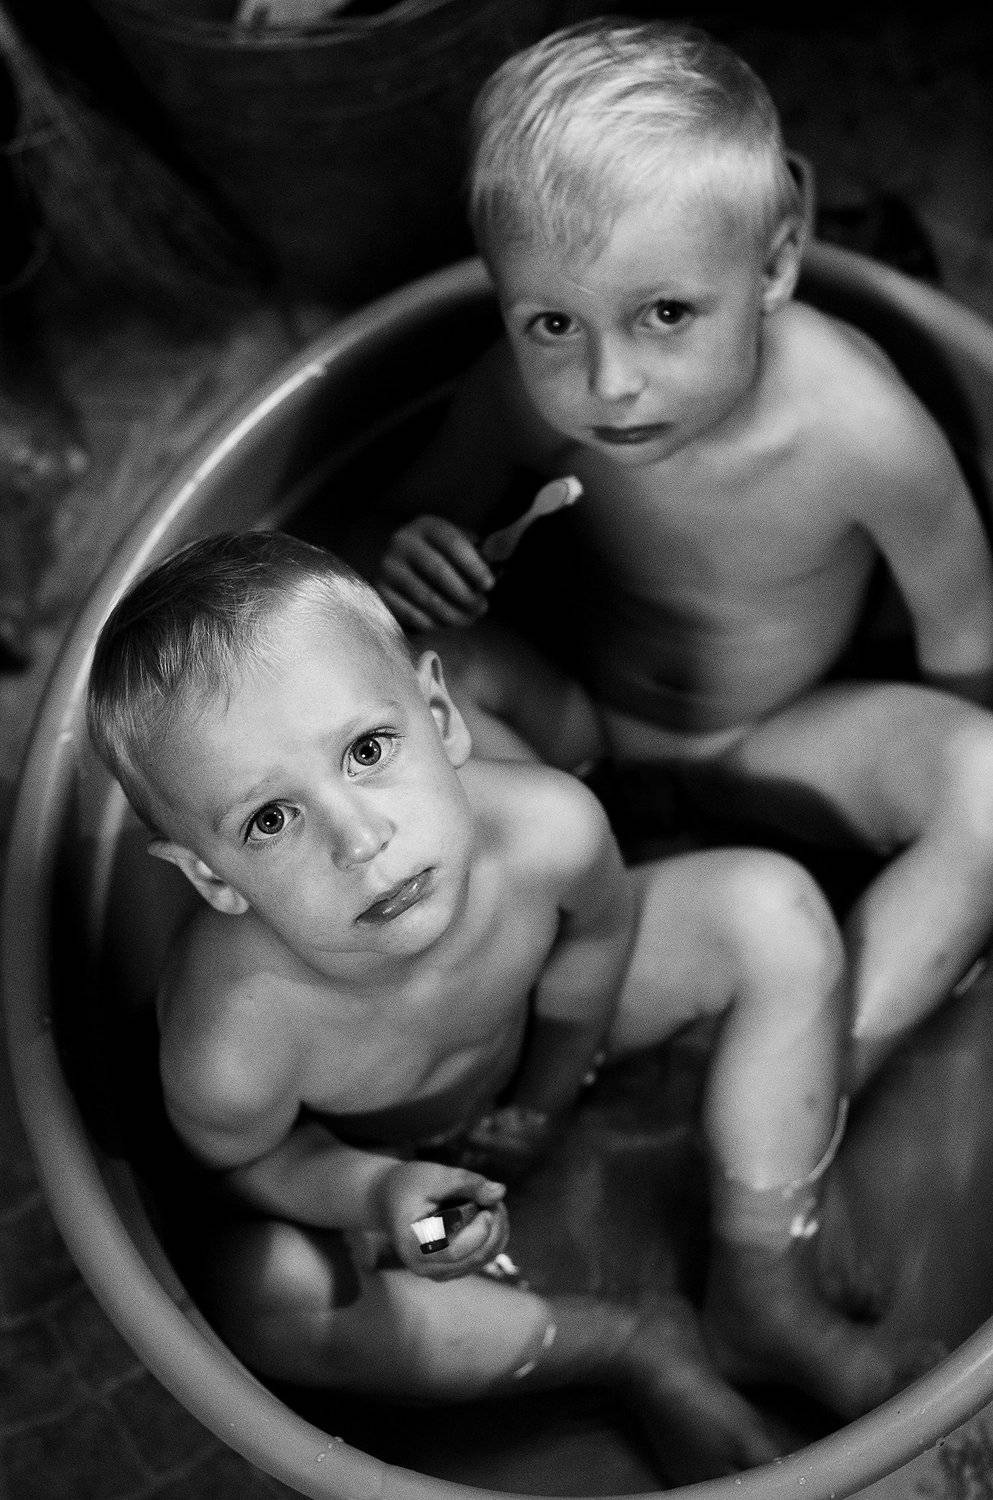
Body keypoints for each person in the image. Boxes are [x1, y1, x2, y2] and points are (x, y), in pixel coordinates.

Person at [85, 531, 934, 1480]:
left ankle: (763, 1282)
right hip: (413, 1178)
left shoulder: (545, 832)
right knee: (258, 1296)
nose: (359, 839)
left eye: (367, 750)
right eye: (270, 820)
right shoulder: (235, 1032)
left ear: (440, 715)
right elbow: (244, 1165)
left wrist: (546, 1094)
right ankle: (624, 1345)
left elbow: (595, 949)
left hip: (545, 1045)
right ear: (210, 875)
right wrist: (380, 1193)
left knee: (771, 914)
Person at [373, 17, 993, 1100]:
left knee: (988, 788)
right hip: (572, 729)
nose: (609, 383)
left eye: (665, 313)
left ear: (776, 265)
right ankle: (497, 1009)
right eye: (551, 323)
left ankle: (815, 1065)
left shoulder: (862, 431)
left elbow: (966, 627)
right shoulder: (516, 398)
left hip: (780, 736)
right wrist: (411, 549)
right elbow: (403, 520)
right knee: (397, 664)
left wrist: (919, 813)